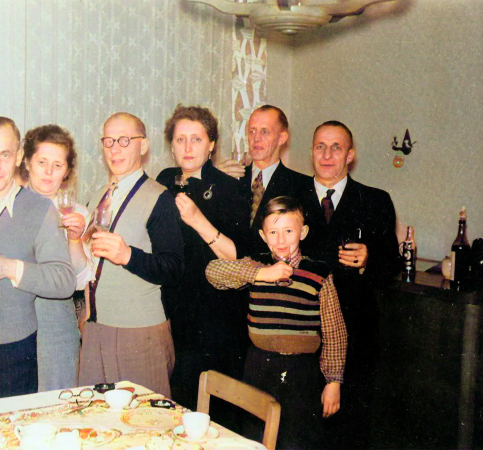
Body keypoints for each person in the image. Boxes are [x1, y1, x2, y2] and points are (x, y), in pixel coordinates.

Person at [206, 196, 347, 450]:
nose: (281, 240)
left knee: (296, 441)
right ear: (263, 235)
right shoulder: (256, 266)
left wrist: (333, 382)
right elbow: (213, 272)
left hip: (301, 373)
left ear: (302, 232)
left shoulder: (319, 274)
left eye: (289, 231)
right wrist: (261, 273)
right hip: (259, 367)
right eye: (273, 232)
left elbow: (334, 332)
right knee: (254, 438)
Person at [0, 116, 75, 400]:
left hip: (12, 351)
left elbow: (64, 281)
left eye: (4, 155)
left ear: (19, 156)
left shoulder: (40, 209)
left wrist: (7, 267)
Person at [299, 121, 402, 449]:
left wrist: (369, 257)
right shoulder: (291, 198)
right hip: (300, 334)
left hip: (355, 337)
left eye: (336, 147)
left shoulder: (375, 201)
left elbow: (391, 269)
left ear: (350, 156)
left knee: (349, 432)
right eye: (320, 146)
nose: (327, 155)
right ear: (311, 151)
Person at [78, 112, 184, 397]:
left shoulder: (159, 198)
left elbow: (174, 268)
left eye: (125, 140)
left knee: (144, 426)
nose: (115, 149)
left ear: (144, 145)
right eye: (109, 141)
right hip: (96, 327)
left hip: (139, 331)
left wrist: (128, 255)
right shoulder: (98, 195)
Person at [155, 105, 250, 411]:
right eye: (180, 139)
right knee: (175, 403)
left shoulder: (229, 188)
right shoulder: (164, 180)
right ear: (171, 144)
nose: (187, 147)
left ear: (211, 145)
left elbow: (238, 256)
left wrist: (198, 220)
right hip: (173, 309)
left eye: (196, 139)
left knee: (211, 411)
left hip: (214, 316)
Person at [20, 124, 90, 391]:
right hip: (13, 320)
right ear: (27, 162)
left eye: (58, 165)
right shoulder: (9, 206)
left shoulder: (77, 213)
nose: (49, 172)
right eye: (42, 162)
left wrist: (75, 239)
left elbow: (79, 280)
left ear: (67, 171)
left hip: (56, 323)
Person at [217, 105, 309, 256]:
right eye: (252, 131)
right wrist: (214, 179)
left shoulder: (301, 185)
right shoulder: (231, 178)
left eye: (264, 131)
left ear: (282, 138)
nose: (256, 138)